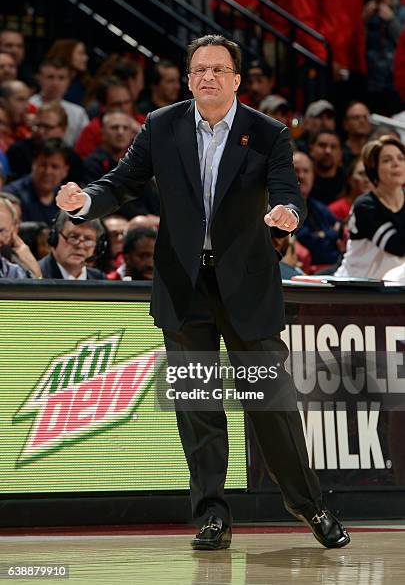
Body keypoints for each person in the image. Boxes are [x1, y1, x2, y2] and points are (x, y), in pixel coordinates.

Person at [56, 34, 350, 551]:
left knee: (270, 405)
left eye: (217, 69)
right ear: (189, 78)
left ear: (237, 79)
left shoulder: (267, 133)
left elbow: (286, 189)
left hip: (247, 286)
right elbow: (122, 182)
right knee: (198, 406)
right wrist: (85, 201)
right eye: (197, 70)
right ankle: (211, 515)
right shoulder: (162, 125)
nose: (206, 78)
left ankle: (310, 504)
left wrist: (288, 215)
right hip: (184, 286)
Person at [335, 136, 405, 278]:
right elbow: (397, 246)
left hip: (393, 287)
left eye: (401, 158)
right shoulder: (365, 206)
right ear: (373, 168)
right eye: (387, 160)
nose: (396, 164)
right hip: (355, 287)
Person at [6, 101, 83, 183]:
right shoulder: (18, 151)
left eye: (47, 127)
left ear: (63, 129)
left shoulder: (73, 160)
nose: (40, 131)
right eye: (38, 126)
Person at [363, 0, 405, 114]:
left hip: (395, 81)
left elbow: (403, 41)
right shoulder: (366, 9)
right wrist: (362, 20)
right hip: (370, 79)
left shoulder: (402, 10)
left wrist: (392, 20)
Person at [294, 151, 344, 268]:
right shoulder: (277, 207)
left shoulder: (318, 207)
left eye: (306, 171)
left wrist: (322, 235)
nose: (301, 176)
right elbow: (307, 241)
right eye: (295, 170)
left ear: (313, 175)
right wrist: (331, 234)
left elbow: (341, 232)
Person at [4, 138, 71, 224]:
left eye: (54, 167)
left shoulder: (68, 198)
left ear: (65, 171)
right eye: (43, 165)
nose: (48, 172)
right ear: (33, 164)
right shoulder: (12, 196)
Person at [29, 58, 89, 146]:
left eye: (61, 78)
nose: (55, 83)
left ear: (68, 82)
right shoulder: (28, 105)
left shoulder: (78, 113)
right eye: (50, 77)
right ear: (39, 79)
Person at [75, 76, 136, 159]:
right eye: (117, 104)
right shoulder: (92, 130)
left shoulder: (143, 122)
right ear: (103, 106)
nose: (124, 108)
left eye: (127, 102)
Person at [39, 211, 105, 280]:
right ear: (54, 238)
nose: (81, 246)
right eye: (73, 237)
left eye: (88, 239)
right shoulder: (33, 277)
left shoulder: (100, 279)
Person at [0, 196, 42, 278]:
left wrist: (32, 266)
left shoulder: (12, 272)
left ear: (13, 230)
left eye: (1, 231)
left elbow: (36, 288)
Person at [46, 38, 91, 105]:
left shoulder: (85, 83)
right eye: (81, 53)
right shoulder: (47, 81)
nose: (85, 58)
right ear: (66, 54)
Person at [308, 129, 346, 204]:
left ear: (340, 153)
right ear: (311, 149)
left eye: (333, 147)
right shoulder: (302, 178)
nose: (328, 151)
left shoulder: (347, 182)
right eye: (322, 145)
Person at [342, 101, 373, 170]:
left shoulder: (376, 152)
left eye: (366, 117)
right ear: (345, 124)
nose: (362, 121)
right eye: (356, 117)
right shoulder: (339, 154)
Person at [0, 80, 31, 149]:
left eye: (27, 100)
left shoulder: (23, 129)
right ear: (3, 102)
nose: (27, 106)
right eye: (20, 100)